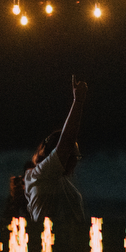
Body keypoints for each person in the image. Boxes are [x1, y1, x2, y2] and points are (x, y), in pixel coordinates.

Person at [23, 76, 87, 225]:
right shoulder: (42, 175)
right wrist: (78, 101)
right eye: (74, 158)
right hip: (50, 246)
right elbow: (67, 141)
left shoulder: (60, 182)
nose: (75, 163)